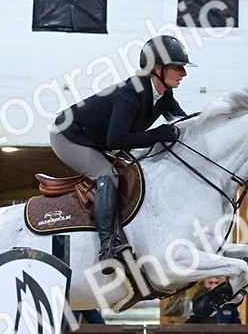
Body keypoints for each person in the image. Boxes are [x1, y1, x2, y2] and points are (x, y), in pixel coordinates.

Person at [50, 35, 193, 272]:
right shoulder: (132, 92)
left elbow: (182, 123)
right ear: (157, 68)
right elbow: (115, 140)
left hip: (97, 140)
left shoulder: (164, 95)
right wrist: (158, 134)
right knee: (107, 174)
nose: (184, 74)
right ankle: (107, 247)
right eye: (178, 67)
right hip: (68, 136)